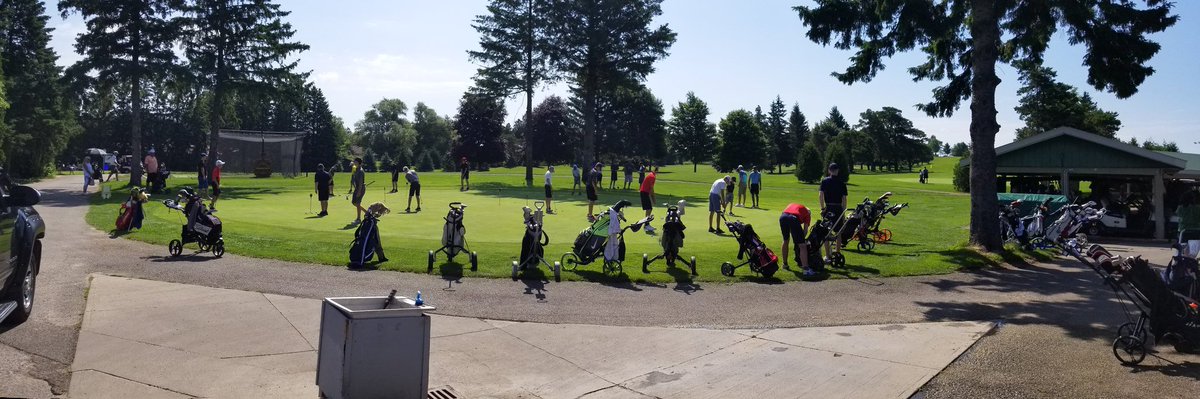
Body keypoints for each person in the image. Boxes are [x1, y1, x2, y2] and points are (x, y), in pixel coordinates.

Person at [819, 163, 848, 260]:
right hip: (838, 208)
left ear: (829, 170)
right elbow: (844, 199)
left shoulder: (824, 181)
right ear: (837, 170)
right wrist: (843, 211)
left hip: (829, 208)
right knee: (838, 232)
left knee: (826, 232)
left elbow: (821, 195)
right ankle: (837, 254)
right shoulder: (842, 182)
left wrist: (822, 208)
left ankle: (828, 255)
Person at [780, 203, 812, 274]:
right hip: (793, 218)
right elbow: (805, 230)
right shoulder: (808, 214)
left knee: (785, 240)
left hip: (783, 217)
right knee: (802, 246)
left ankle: (785, 264)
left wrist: (796, 239)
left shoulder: (794, 205)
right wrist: (800, 240)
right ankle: (806, 270)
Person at [639, 166, 658, 234]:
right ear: (656, 172)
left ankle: (646, 225)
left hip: (645, 192)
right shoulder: (652, 177)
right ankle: (646, 225)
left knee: (649, 208)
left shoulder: (650, 174)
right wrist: (654, 199)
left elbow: (650, 189)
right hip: (644, 192)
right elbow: (651, 188)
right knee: (649, 208)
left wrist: (652, 198)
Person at [351, 157, 367, 224]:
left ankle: (358, 219)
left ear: (359, 163)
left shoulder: (360, 171)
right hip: (357, 188)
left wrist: (359, 191)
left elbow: (360, 183)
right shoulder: (355, 169)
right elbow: (353, 178)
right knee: (354, 202)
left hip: (360, 188)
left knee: (357, 203)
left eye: (355, 162)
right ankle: (367, 212)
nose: (354, 163)